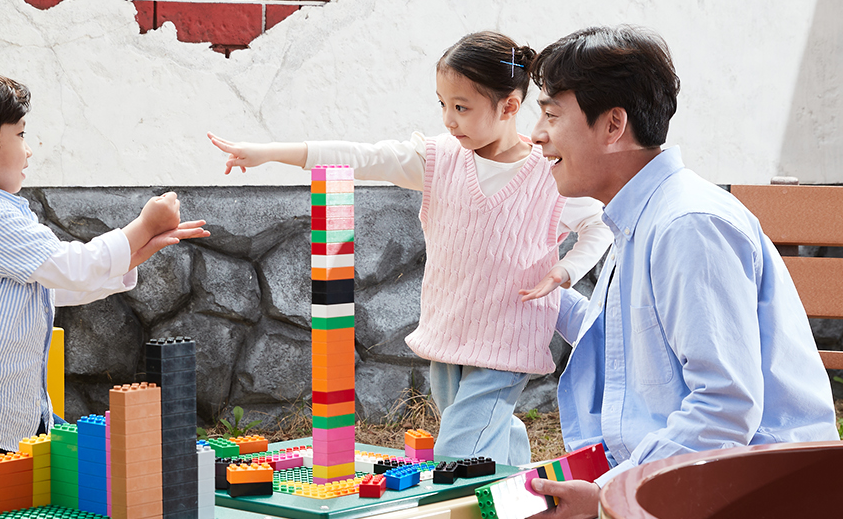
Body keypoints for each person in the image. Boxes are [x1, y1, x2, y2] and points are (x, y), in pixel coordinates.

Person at [518, 26, 837, 519]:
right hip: (699, 475)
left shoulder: (688, 224)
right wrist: (537, 293)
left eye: (552, 115)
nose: (536, 135)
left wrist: (608, 495)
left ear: (613, 125)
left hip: (755, 492)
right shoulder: (642, 215)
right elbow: (625, 342)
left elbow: (725, 407)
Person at [209, 32, 613, 466]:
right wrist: (269, 152)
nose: (448, 120)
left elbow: (599, 226)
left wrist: (566, 271)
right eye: (443, 104)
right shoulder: (438, 159)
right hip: (449, 331)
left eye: (461, 107)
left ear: (509, 107)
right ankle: (520, 486)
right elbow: (364, 156)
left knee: (459, 452)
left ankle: (473, 498)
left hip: (508, 339)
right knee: (482, 425)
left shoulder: (549, 174)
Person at [0, 68, 208, 496]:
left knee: (33, 499)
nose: (29, 150)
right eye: (20, 135)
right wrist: (143, 225)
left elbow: (56, 284)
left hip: (2, 413)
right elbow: (72, 267)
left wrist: (141, 248)